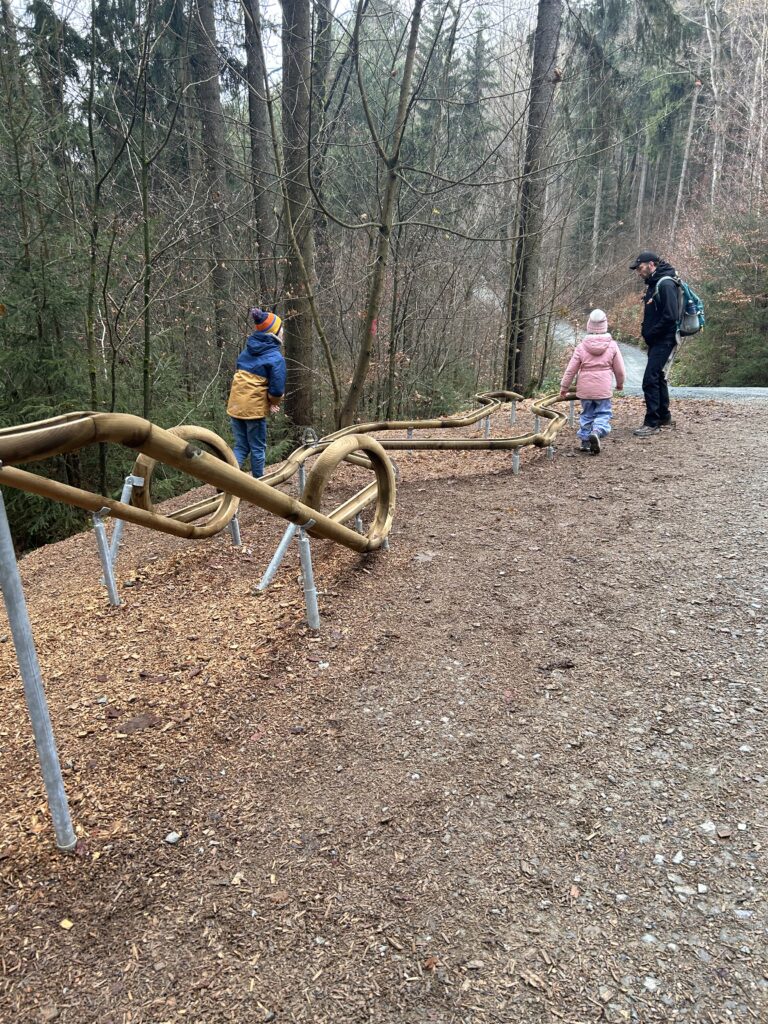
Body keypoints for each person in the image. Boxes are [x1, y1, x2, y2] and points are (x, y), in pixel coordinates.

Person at [226, 307, 287, 478]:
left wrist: (270, 401)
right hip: (253, 411)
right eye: (281, 329)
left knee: (241, 446)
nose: (283, 332)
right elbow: (276, 390)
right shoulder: (276, 358)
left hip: (236, 406)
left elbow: (245, 381)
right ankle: (257, 485)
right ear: (273, 333)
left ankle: (226, 480)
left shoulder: (246, 352)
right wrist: (273, 402)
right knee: (258, 448)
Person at [559, 308, 625, 455]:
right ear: (605, 325)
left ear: (589, 325)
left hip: (586, 391)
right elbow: (620, 370)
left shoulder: (581, 347)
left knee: (587, 414)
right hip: (603, 389)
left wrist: (564, 387)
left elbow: (571, 370)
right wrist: (620, 384)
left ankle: (585, 441)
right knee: (603, 413)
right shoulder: (612, 345)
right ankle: (597, 431)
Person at [629, 250, 678, 437]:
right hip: (658, 340)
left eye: (640, 268)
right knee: (658, 377)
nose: (638, 272)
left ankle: (652, 422)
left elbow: (671, 316)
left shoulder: (665, 284)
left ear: (651, 264)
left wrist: (651, 333)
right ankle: (664, 417)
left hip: (664, 339)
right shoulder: (656, 282)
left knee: (650, 379)